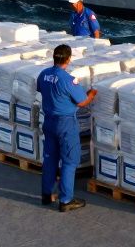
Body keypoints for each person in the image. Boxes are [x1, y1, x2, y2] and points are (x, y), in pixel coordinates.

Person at [37, 44, 97, 211]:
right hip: (65, 123)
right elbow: (82, 101)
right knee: (70, 161)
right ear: (69, 59)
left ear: (54, 57)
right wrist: (91, 94)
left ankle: (47, 194)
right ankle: (66, 200)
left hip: (48, 121)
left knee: (50, 159)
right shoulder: (67, 79)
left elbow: (42, 90)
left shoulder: (44, 74)